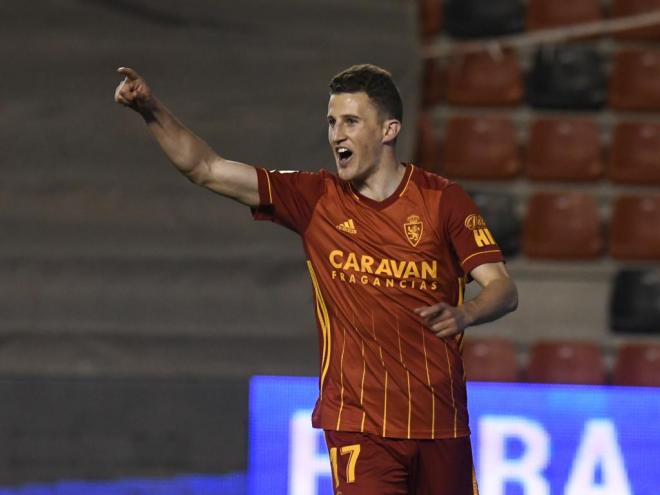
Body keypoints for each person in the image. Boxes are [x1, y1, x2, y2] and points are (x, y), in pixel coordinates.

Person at [114, 63, 518, 495]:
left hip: (441, 423)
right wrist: (149, 109)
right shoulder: (315, 198)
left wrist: (466, 312)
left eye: (350, 122)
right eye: (331, 122)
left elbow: (503, 288)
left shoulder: (443, 201)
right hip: (358, 424)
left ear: (388, 130)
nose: (336, 135)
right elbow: (206, 168)